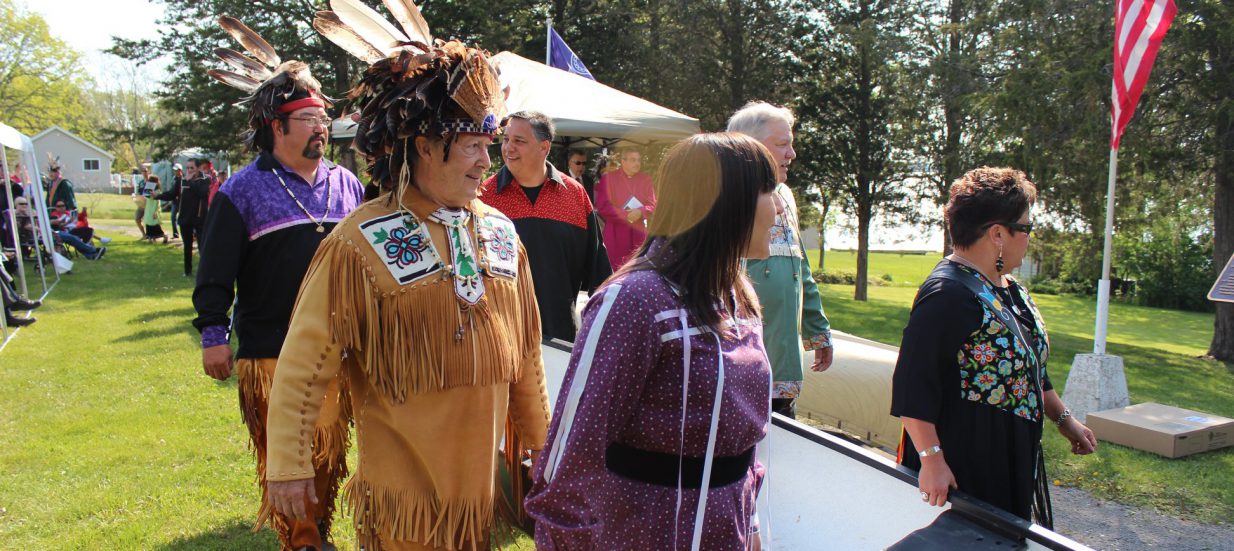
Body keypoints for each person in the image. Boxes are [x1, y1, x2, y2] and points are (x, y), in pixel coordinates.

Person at [269, 13, 550, 550]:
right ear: (425, 145)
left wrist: (540, 446)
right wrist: (288, 465)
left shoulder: (499, 231)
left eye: (489, 148)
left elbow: (526, 356)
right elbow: (305, 365)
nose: (486, 164)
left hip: (479, 497)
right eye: (473, 146)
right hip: (405, 506)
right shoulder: (361, 241)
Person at [525, 133, 781, 550]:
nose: (780, 207)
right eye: (768, 191)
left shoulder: (738, 298)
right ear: (725, 204)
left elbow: (741, 446)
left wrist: (749, 525)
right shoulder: (636, 301)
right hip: (642, 536)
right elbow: (571, 457)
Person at [192, 17, 365, 551]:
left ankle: (319, 531)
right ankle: (303, 540)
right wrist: (213, 334)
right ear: (277, 126)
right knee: (285, 453)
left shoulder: (347, 183)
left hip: (337, 346)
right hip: (271, 347)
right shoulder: (242, 190)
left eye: (324, 119)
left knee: (328, 452)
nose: (321, 128)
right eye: (310, 119)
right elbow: (215, 269)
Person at [891, 167, 1097, 526]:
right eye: (1027, 228)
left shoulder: (1009, 288)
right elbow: (912, 386)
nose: (1030, 238)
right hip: (965, 468)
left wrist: (1065, 420)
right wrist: (932, 460)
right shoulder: (948, 294)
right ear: (998, 234)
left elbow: (1030, 367)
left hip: (1008, 459)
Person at [727, 101, 833, 419]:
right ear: (750, 146)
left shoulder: (785, 195)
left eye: (792, 144)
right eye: (783, 144)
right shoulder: (727, 196)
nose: (792, 154)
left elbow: (799, 268)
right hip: (740, 367)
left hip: (783, 363)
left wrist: (817, 330)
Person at [480, 111, 611, 342]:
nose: (508, 148)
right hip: (498, 338)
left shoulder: (576, 195)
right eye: (506, 139)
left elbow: (598, 272)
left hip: (559, 337)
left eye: (519, 141)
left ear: (544, 147)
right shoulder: (484, 197)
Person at [594, 147, 656, 269]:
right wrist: (625, 214)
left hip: (639, 231)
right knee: (615, 271)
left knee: (637, 269)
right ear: (623, 161)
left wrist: (641, 211)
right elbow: (603, 206)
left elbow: (654, 204)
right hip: (616, 232)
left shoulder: (646, 179)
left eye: (638, 160)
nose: (637, 163)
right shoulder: (608, 179)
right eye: (633, 160)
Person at [175, 158, 211, 276]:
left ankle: (205, 271)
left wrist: (190, 182)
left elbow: (201, 192)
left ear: (198, 168)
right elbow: (173, 193)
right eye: (188, 168)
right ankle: (187, 271)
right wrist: (157, 196)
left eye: (192, 168)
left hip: (199, 218)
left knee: (202, 246)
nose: (189, 170)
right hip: (186, 218)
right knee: (187, 246)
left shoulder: (205, 179)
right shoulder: (182, 180)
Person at [142, 175, 169, 244]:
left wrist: (155, 212)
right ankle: (151, 239)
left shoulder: (157, 191)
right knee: (148, 224)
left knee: (155, 225)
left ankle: (165, 236)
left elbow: (157, 202)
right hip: (148, 209)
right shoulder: (149, 189)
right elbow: (146, 198)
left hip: (153, 209)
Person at [169, 164, 183, 238]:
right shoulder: (174, 178)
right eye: (174, 170)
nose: (175, 171)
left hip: (182, 202)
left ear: (180, 170)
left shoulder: (183, 179)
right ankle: (175, 233)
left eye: (176, 170)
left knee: (181, 218)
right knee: (172, 217)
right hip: (175, 201)